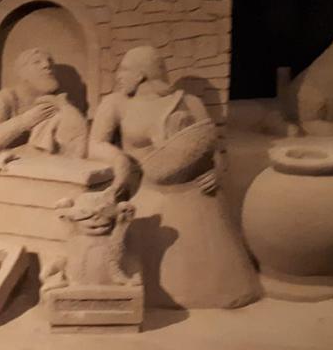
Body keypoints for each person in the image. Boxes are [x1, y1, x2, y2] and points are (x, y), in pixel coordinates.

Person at [89, 46, 260, 309]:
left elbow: (214, 147)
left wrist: (217, 171)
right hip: (148, 194)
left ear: (141, 74)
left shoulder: (189, 102)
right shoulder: (116, 103)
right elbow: (95, 143)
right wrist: (118, 159)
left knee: (219, 278)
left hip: (196, 193)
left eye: (124, 69)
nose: (118, 76)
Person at [0, 47, 88, 158]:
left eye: (50, 61)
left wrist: (65, 107)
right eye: (37, 62)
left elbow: (77, 141)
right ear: (22, 72)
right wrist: (25, 121)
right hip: (9, 163)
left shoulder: (56, 100)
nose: (47, 65)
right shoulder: (4, 99)